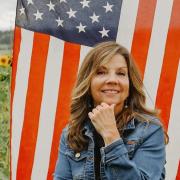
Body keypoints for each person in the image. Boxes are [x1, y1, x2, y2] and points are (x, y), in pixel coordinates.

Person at [53, 41, 167, 180]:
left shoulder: (149, 130)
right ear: (87, 82)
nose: (112, 80)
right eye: (101, 72)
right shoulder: (71, 133)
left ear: (130, 83)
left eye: (121, 73)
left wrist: (111, 136)